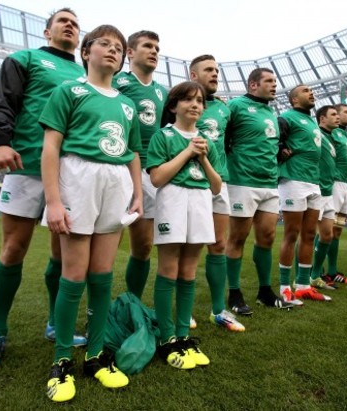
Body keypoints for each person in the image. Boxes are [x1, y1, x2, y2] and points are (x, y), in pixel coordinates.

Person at [0, 8, 87, 373]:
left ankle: (55, 323)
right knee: (13, 249)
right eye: (63, 20)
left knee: (61, 255)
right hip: (26, 166)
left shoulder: (86, 75)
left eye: (75, 22)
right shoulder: (25, 59)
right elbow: (2, 100)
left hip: (70, 175)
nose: (70, 25)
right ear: (47, 30)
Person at [40, 24, 140, 402]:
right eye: (105, 44)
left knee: (102, 276)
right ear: (86, 51)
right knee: (74, 275)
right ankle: (62, 360)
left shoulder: (127, 103)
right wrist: (52, 200)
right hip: (78, 176)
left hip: (116, 184)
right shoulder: (69, 90)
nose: (113, 50)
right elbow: (51, 148)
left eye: (119, 47)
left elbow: (132, 153)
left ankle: (96, 356)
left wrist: (137, 196)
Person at [147, 81, 221, 370]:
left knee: (189, 271)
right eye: (188, 100)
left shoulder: (208, 142)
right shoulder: (163, 136)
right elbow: (156, 178)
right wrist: (188, 152)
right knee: (169, 268)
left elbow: (216, 186)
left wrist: (203, 158)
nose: (195, 105)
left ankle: (182, 335)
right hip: (173, 199)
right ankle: (167, 340)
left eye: (200, 101)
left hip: (201, 200)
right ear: (173, 105)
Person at [224, 68, 293, 313]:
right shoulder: (236, 106)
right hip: (242, 181)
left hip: (269, 183)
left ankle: (265, 291)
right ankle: (234, 293)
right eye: (269, 81)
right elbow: (222, 137)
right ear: (253, 85)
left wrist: (280, 152)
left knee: (267, 238)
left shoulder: (271, 112)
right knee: (237, 239)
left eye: (275, 81)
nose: (274, 85)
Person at [188, 55, 244, 332]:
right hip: (189, 181)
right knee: (188, 247)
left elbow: (233, 139)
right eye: (208, 70)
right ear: (193, 74)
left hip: (219, 181)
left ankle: (218, 310)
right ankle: (184, 311)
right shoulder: (183, 102)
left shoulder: (224, 109)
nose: (215, 74)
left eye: (217, 70)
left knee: (219, 245)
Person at [113, 30, 168, 300]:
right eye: (148, 46)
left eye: (157, 47)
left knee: (144, 246)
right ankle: (96, 312)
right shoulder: (116, 82)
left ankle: (132, 303)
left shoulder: (163, 93)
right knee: (105, 243)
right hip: (115, 168)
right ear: (130, 52)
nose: (154, 51)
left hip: (148, 172)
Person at [276, 85, 330, 304]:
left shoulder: (311, 121)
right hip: (293, 180)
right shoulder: (286, 117)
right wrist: (280, 149)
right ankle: (284, 287)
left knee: (309, 235)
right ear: (293, 99)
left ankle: (303, 285)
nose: (311, 92)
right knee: (291, 234)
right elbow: (273, 139)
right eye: (305, 91)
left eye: (311, 90)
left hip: (313, 182)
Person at [322, 103, 347, 284]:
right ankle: (315, 270)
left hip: (344, 185)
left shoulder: (343, 135)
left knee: (337, 231)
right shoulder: (331, 133)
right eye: (346, 112)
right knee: (326, 230)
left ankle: (332, 270)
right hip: (332, 183)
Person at [310, 106, 339, 288]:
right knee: (308, 234)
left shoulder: (331, 138)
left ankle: (315, 275)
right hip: (316, 188)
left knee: (327, 235)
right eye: (333, 115)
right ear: (322, 118)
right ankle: (302, 276)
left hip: (329, 190)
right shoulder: (316, 134)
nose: (337, 118)